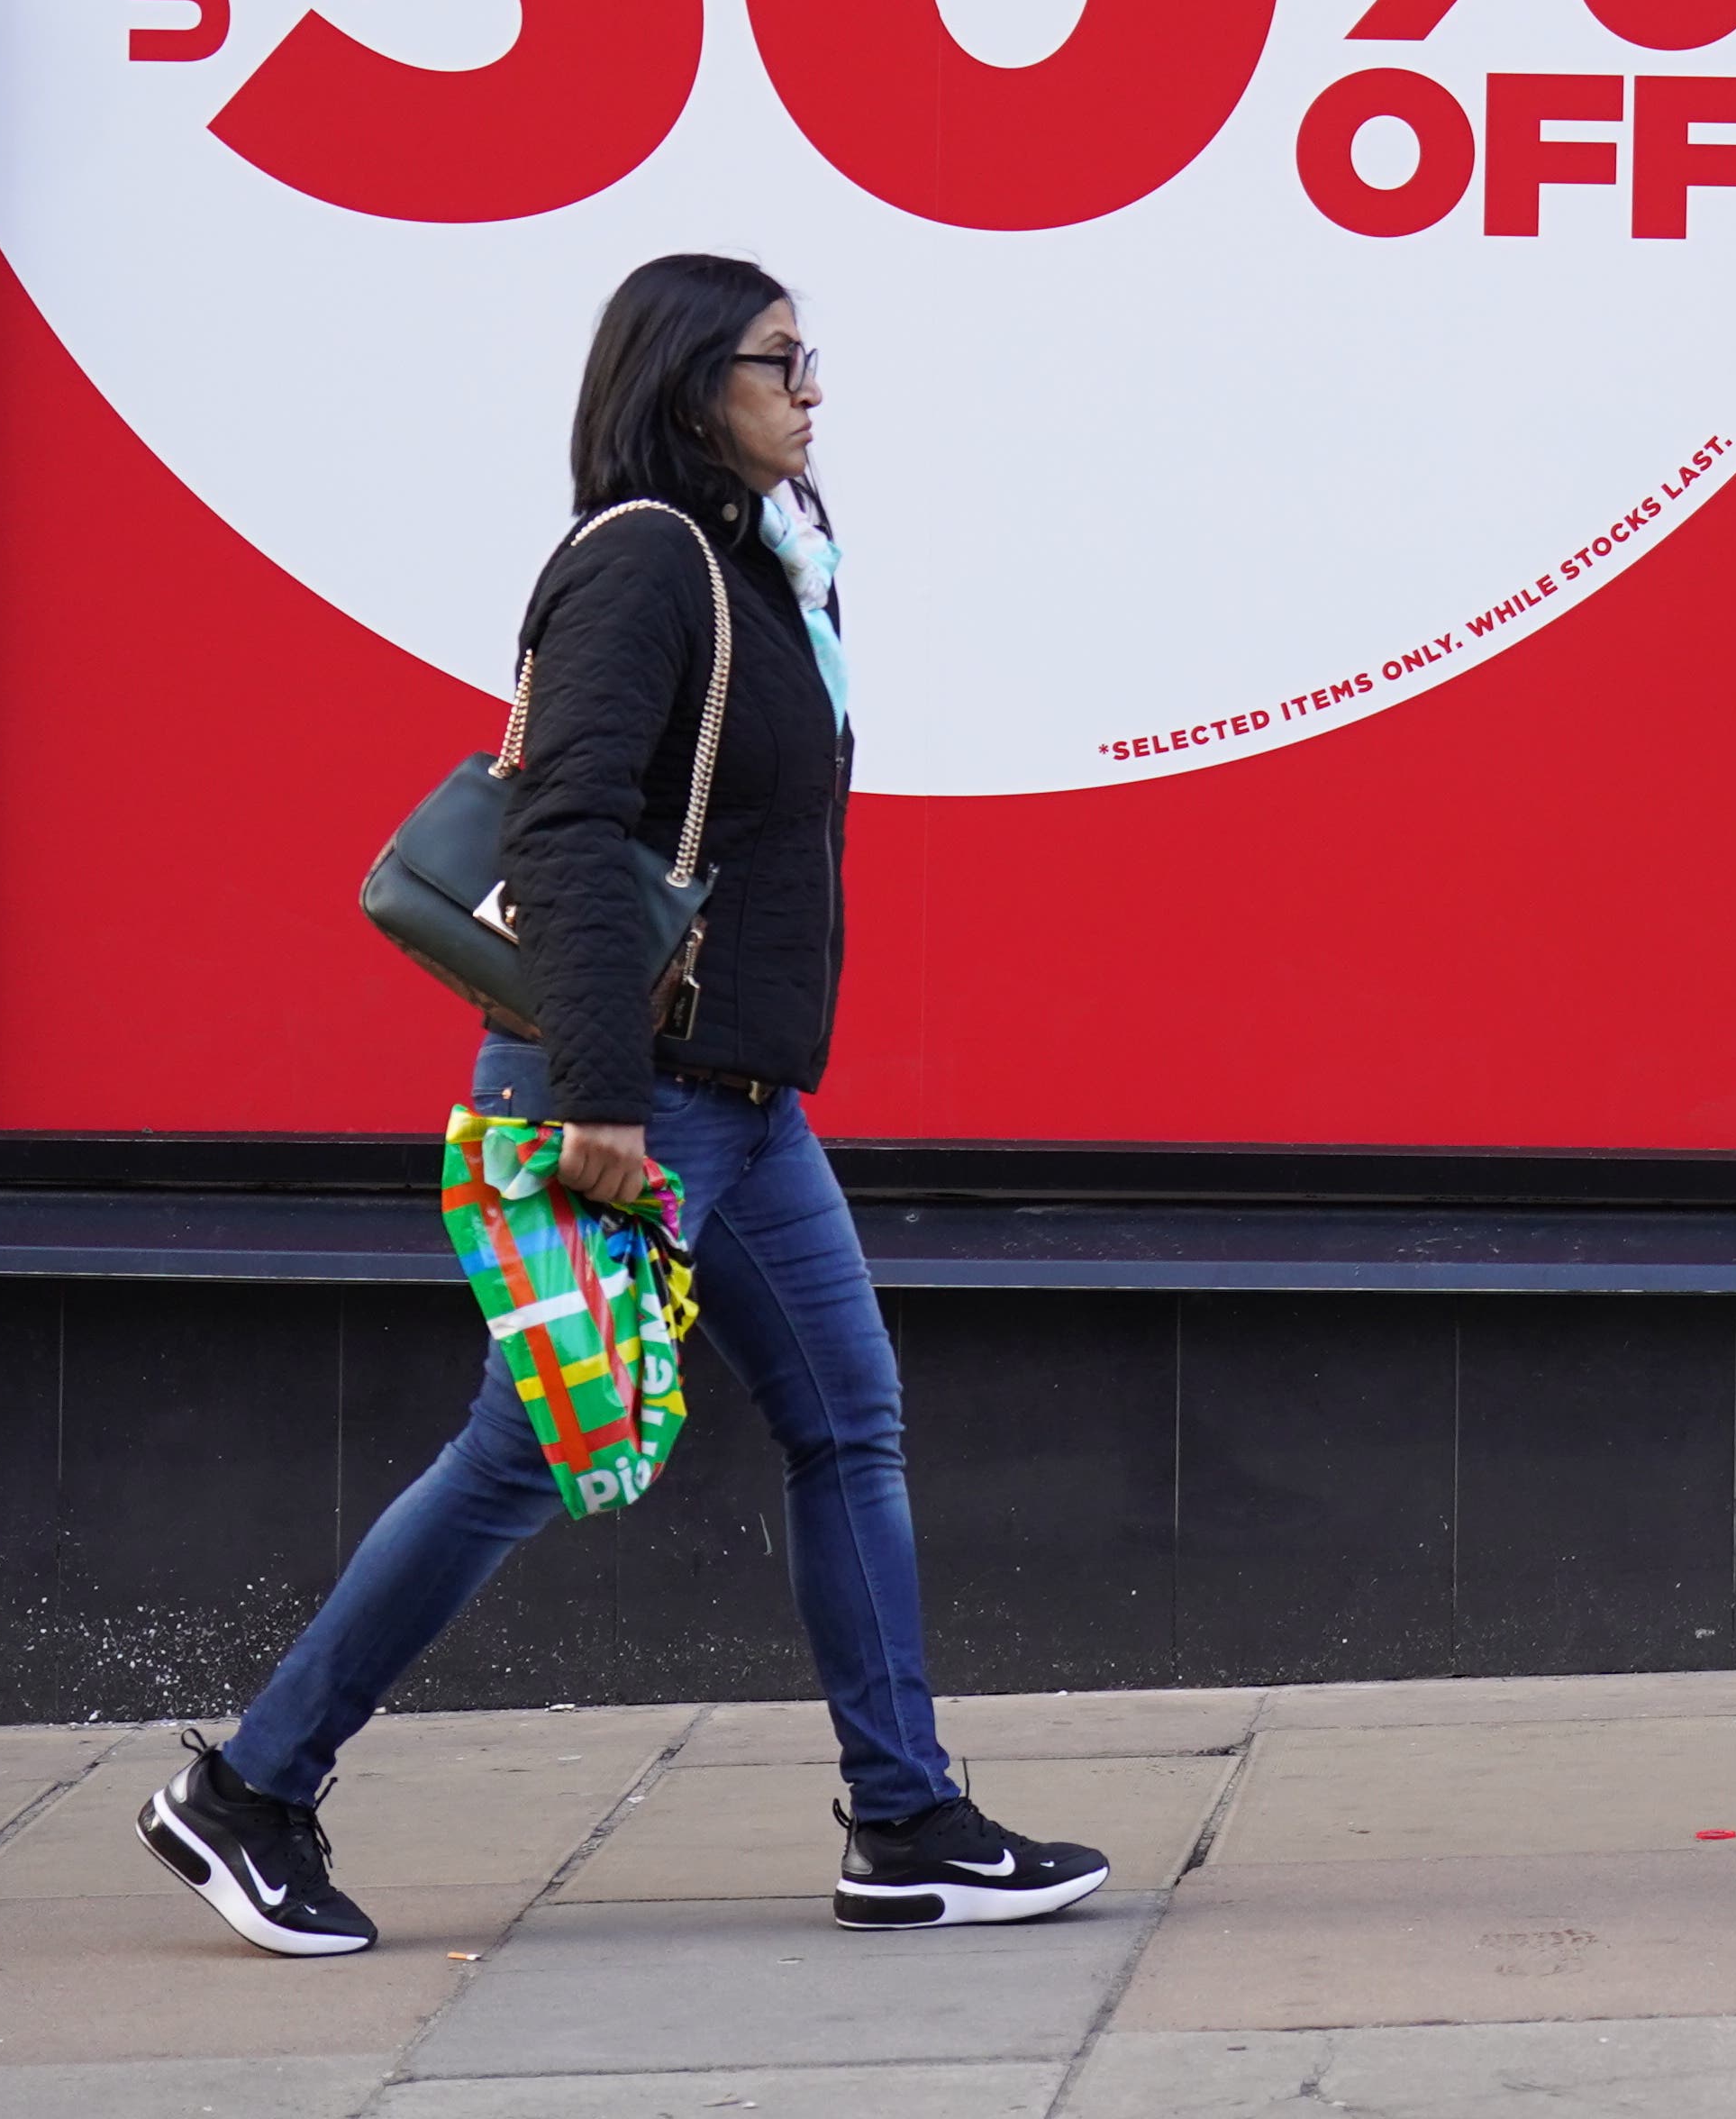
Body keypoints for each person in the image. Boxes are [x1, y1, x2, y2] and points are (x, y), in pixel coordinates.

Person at [140, 254, 1108, 1954]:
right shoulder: (645, 564)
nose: (813, 392)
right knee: (528, 1453)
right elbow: (569, 830)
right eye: (781, 363)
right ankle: (251, 1792)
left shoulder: (754, 563)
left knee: (846, 1421)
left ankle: (907, 1823)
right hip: (626, 1099)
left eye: (816, 361)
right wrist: (603, 1096)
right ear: (687, 385)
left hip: (737, 1103)